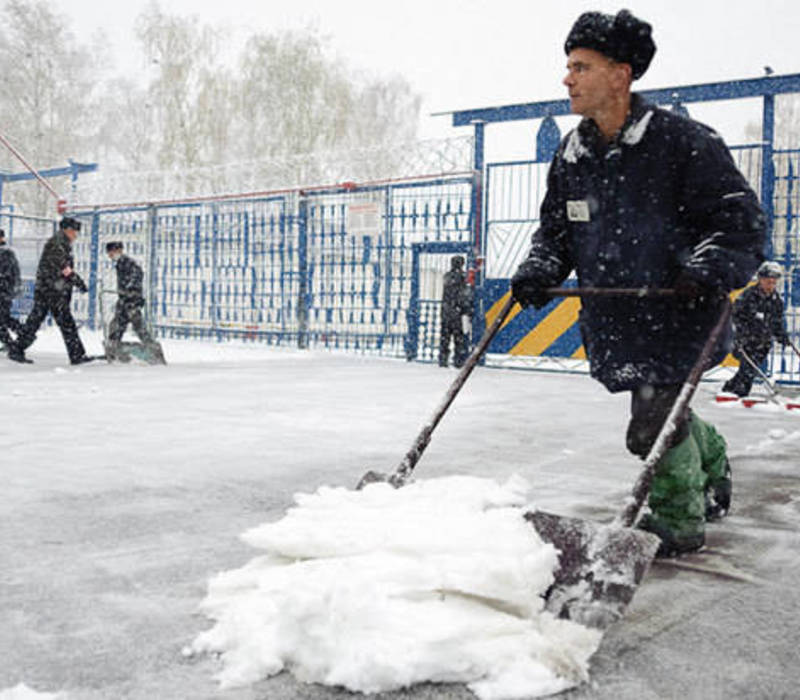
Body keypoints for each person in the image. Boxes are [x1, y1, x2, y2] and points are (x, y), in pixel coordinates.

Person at [510, 10, 765, 556]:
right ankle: (712, 463)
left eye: (581, 66)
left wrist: (706, 268)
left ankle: (677, 521)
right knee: (665, 414)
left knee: (650, 427)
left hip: (680, 313)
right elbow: (556, 232)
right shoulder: (573, 155)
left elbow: (739, 223)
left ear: (620, 75)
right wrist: (539, 268)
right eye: (568, 66)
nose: (567, 78)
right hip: (617, 319)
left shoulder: (684, 143)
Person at [9, 216, 93, 365]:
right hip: (52, 291)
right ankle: (76, 355)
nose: (76, 235)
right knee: (66, 323)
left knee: (36, 321)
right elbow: (63, 267)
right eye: (75, 232)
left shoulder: (60, 243)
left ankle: (17, 348)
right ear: (67, 230)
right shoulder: (58, 244)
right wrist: (77, 281)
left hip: (49, 289)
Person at [722, 261, 790, 397]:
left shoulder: (776, 301)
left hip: (763, 342)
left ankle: (729, 388)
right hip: (745, 340)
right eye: (768, 282)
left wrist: (782, 336)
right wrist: (739, 335)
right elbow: (735, 317)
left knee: (749, 370)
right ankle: (740, 394)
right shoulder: (747, 296)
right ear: (760, 280)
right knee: (748, 368)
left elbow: (776, 321)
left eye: (773, 282)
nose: (771, 285)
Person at [104, 241, 162, 362]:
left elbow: (137, 275)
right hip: (125, 300)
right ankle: (113, 350)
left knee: (136, 325)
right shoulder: (121, 263)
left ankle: (152, 350)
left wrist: (129, 289)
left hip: (131, 301)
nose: (110, 255)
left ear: (118, 251)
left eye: (111, 252)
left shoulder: (128, 263)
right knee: (117, 325)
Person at [439, 255, 472, 368]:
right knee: (459, 339)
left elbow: (446, 294)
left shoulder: (447, 276)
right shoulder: (463, 277)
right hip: (457, 313)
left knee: (445, 338)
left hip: (446, 311)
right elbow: (464, 295)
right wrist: (467, 309)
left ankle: (443, 359)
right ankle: (458, 360)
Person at [0, 228, 24, 352]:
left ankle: (20, 335)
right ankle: (23, 333)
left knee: (2, 319)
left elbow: (8, 274)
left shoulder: (5, 254)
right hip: (6, 292)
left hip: (3, 292)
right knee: (4, 318)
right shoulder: (8, 253)